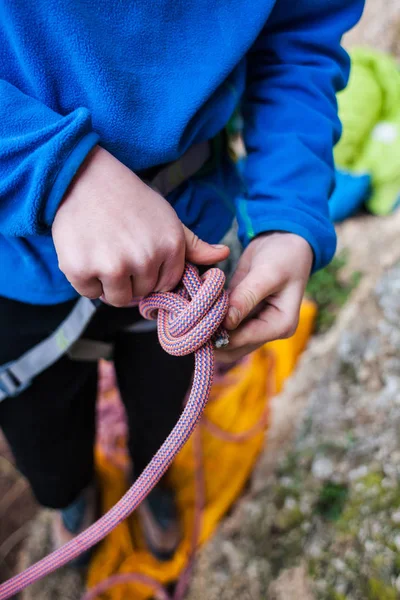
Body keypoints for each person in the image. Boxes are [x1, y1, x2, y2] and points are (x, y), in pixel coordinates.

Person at [0, 0, 364, 562]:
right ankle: (68, 498)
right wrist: (48, 167)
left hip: (191, 230)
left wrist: (288, 207)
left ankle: (154, 484)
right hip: (17, 261)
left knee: (166, 407)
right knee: (43, 442)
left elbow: (299, 31)